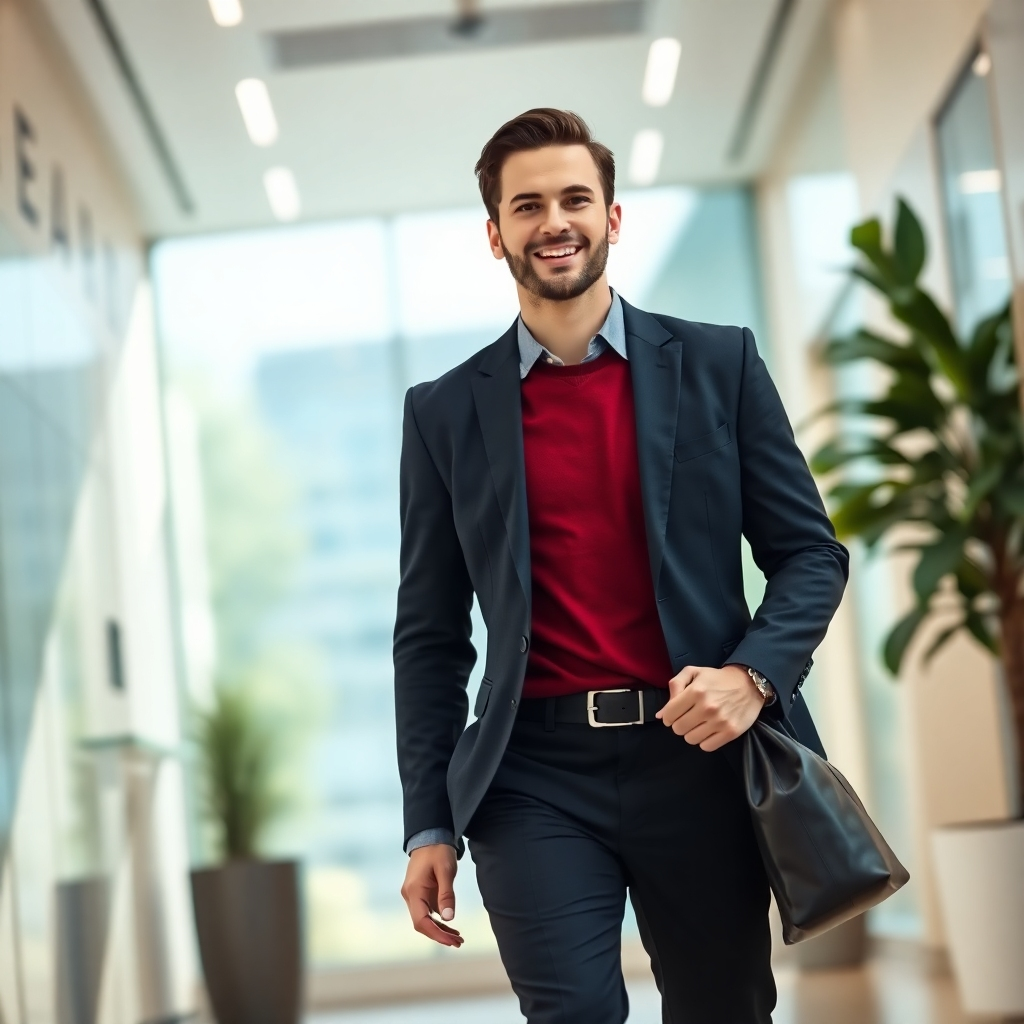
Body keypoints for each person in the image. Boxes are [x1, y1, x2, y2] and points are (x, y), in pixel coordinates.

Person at [394, 108, 848, 1024]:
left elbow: (809, 554)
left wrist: (752, 678)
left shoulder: (719, 364)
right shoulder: (442, 413)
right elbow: (432, 637)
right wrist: (429, 822)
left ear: (612, 217)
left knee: (723, 1008)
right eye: (528, 206)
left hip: (700, 757)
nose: (553, 221)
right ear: (495, 235)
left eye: (574, 198)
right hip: (531, 774)